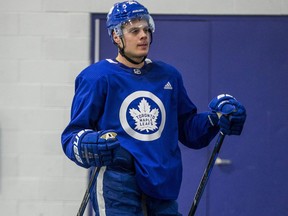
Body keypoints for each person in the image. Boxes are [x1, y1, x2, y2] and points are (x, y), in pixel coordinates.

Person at [61, 1, 246, 215]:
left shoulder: (168, 76)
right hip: (117, 186)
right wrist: (86, 143)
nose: (143, 35)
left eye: (146, 29)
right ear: (115, 36)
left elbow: (188, 130)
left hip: (162, 184)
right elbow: (71, 136)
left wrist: (217, 119)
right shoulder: (97, 77)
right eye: (134, 30)